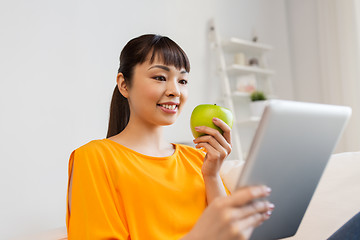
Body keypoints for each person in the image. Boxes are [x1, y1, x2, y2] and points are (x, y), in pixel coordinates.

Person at [66, 34, 274, 240]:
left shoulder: (198, 161)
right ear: (124, 85)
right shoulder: (94, 157)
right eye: (159, 77)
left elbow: (232, 235)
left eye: (182, 80)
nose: (175, 91)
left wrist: (212, 176)